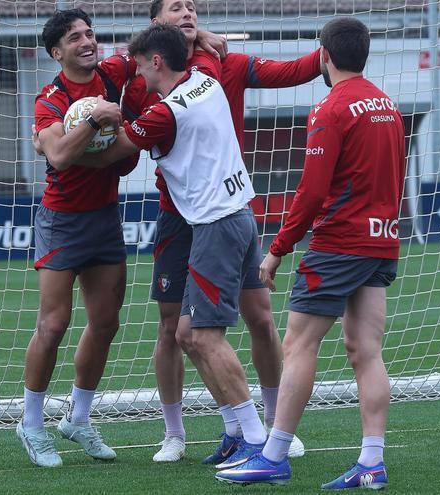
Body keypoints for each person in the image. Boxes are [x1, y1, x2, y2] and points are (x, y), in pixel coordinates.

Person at [122, 0, 319, 463]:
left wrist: (327, 53)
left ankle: (271, 428)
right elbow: (126, 150)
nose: (188, 13)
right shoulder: (144, 75)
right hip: (180, 215)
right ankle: (179, 434)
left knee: (255, 319)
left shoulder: (217, 63)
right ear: (157, 25)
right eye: (177, 7)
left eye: (193, 7)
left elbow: (290, 72)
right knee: (177, 329)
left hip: (220, 213)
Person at [216, 17, 406, 489]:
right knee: (366, 351)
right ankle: (372, 462)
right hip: (381, 241)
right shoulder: (388, 105)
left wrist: (277, 249)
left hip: (339, 244)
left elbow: (312, 191)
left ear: (324, 54)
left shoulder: (331, 109)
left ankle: (274, 455)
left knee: (299, 344)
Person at [77, 23, 272, 472]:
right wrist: (199, 34)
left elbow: (110, 154)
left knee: (204, 336)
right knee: (185, 334)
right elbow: (200, 56)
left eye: (140, 66)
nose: (137, 75)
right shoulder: (206, 79)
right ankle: (235, 431)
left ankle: (257, 441)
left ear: (157, 61)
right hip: (238, 217)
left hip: (216, 225)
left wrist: (72, 135)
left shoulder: (164, 113)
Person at [17, 8, 138, 468]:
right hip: (62, 220)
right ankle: (31, 424)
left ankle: (78, 418)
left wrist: (197, 31)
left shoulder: (113, 72)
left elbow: (155, 44)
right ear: (56, 52)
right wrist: (96, 119)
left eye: (90, 34)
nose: (87, 42)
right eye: (75, 38)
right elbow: (60, 156)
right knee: (54, 324)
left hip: (104, 218)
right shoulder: (49, 99)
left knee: (106, 324)